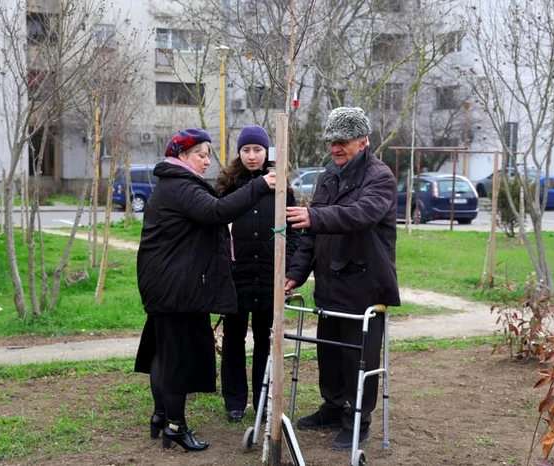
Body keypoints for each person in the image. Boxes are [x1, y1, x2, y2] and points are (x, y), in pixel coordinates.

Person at [134, 128, 276, 452]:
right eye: (202, 154)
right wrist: (259, 186)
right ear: (183, 156)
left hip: (164, 283)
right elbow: (216, 212)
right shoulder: (181, 186)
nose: (207, 161)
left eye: (210, 154)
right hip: (174, 288)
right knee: (175, 359)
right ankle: (175, 426)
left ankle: (161, 415)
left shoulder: (173, 185)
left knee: (163, 352)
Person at [284, 107, 400, 451]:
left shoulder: (379, 177)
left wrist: (315, 216)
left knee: (359, 358)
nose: (335, 147)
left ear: (363, 142)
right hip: (330, 283)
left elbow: (361, 214)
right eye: (332, 141)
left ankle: (358, 419)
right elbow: (310, 233)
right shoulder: (328, 176)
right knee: (330, 354)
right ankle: (333, 407)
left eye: (343, 141)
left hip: (364, 284)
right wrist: (295, 274)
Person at [216, 125, 300, 423]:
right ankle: (234, 401)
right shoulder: (227, 185)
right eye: (246, 150)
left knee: (267, 339)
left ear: (267, 152)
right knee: (234, 339)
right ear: (239, 153)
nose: (252, 156)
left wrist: (287, 269)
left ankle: (263, 399)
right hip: (236, 278)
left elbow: (294, 233)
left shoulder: (281, 187)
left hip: (269, 278)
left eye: (258, 150)